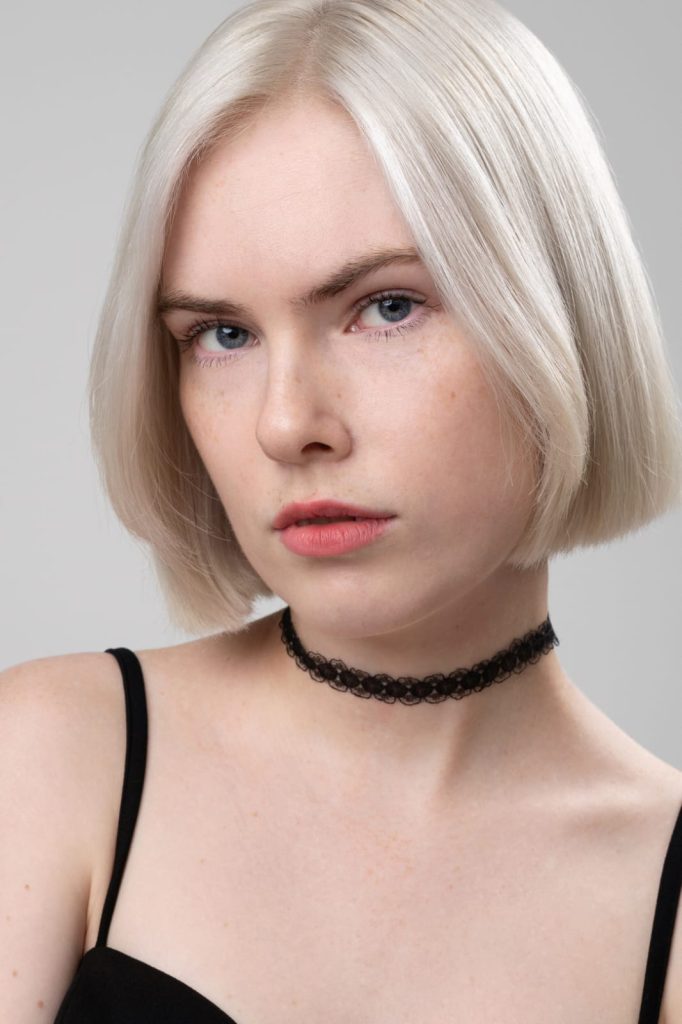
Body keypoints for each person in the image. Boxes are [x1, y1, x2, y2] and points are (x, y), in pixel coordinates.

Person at [2, 0, 681, 1021]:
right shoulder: (52, 755)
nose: (286, 425)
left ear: (555, 318)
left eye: (386, 307)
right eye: (222, 334)